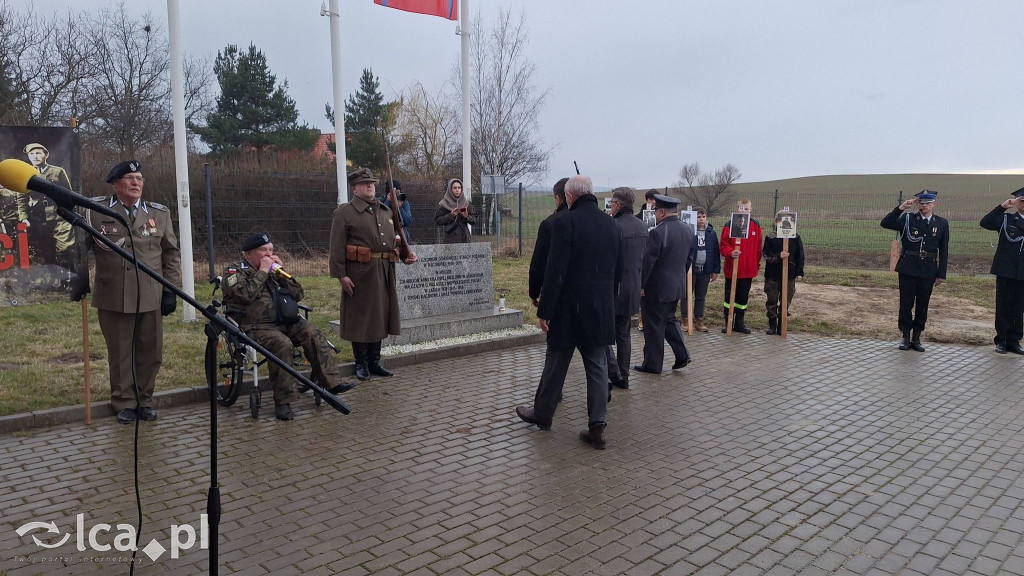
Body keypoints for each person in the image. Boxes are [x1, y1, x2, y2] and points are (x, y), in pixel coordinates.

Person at [515, 175, 623, 450]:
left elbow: (555, 272)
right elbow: (618, 272)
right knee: (598, 367)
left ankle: (543, 414)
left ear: (569, 197)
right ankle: (597, 427)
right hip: (599, 309)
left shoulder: (564, 223)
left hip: (567, 310)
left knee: (556, 363)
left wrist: (545, 310)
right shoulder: (611, 224)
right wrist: (608, 303)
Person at [84, 160, 181, 425]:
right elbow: (78, 251)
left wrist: (171, 289)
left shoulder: (159, 214)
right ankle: (124, 401)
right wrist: (77, 281)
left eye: (139, 178)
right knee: (120, 352)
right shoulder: (95, 211)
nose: (136, 183)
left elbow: (171, 253)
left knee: (150, 352)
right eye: (129, 178)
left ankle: (145, 399)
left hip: (150, 293)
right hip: (113, 294)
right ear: (115, 183)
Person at [222, 233, 356, 421]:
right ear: (249, 253)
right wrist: (262, 271)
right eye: (264, 250)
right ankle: (283, 402)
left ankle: (332, 383)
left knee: (313, 333)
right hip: (255, 326)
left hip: (285, 321)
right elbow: (243, 295)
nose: (269, 254)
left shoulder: (274, 271)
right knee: (283, 345)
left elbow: (298, 294)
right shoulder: (235, 271)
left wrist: (281, 273)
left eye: (271, 250)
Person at [330, 168, 418, 381]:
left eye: (372, 183)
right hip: (359, 274)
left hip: (384, 271)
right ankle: (360, 363)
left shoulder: (386, 211)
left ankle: (374, 361)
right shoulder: (344, 213)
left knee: (380, 316)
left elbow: (394, 240)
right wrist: (342, 275)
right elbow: (336, 248)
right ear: (355, 188)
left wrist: (405, 254)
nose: (370, 186)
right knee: (361, 318)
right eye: (365, 183)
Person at [880, 190, 949, 351]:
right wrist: (901, 208)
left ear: (934, 204)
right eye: (921, 203)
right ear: (917, 204)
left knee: (923, 304)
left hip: (928, 269)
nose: (924, 206)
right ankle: (905, 336)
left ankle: (917, 337)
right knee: (906, 303)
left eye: (927, 203)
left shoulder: (941, 223)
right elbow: (885, 223)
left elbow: (944, 250)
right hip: (908, 267)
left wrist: (941, 273)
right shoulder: (908, 219)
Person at [634, 194, 694, 374]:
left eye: (655, 211)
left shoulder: (658, 232)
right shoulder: (687, 230)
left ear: (661, 212)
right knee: (668, 319)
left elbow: (647, 264)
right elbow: (689, 259)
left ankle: (652, 364)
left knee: (653, 326)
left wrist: (641, 286)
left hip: (656, 288)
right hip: (676, 286)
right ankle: (682, 354)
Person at [606, 187, 648, 390]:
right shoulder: (642, 226)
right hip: (632, 286)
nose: (610, 206)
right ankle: (624, 374)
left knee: (603, 333)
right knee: (623, 333)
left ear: (618, 205)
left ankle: (614, 372)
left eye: (612, 202)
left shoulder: (612, 226)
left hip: (612, 288)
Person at [979, 187, 1024, 354]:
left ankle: (1015, 340)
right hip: (1006, 270)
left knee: (1019, 308)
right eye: (1022, 200)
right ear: (1016, 201)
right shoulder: (1006, 219)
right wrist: (1003, 206)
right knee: (1004, 306)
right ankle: (1002, 340)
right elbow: (985, 222)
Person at [21, 143, 77, 272]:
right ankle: (55, 276)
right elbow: (21, 199)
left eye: (38, 153)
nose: (35, 156)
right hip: (38, 216)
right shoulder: (26, 173)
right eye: (32, 154)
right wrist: (24, 217)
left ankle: (68, 276)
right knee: (46, 248)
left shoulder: (57, 171)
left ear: (46, 155)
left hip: (59, 214)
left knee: (64, 247)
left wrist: (69, 212)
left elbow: (68, 193)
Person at [719, 198, 762, 334]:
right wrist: (731, 252)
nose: (744, 211)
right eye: (741, 208)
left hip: (748, 269)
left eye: (747, 209)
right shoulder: (729, 224)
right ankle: (728, 321)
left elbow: (758, 249)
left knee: (743, 297)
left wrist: (756, 264)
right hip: (732, 268)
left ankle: (740, 321)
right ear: (737, 208)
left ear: (751, 210)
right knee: (729, 296)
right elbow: (723, 245)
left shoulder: (755, 225)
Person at [528, 177, 569, 307]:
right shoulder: (600, 222)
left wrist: (534, 292)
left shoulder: (550, 223)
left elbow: (539, 261)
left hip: (559, 291)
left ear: (558, 199)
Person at [762, 213, 805, 335]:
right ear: (776, 222)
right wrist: (778, 257)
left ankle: (782, 324)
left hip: (790, 274)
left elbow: (800, 256)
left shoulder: (795, 237)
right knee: (772, 299)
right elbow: (766, 255)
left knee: (786, 299)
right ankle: (772, 324)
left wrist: (799, 272)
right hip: (773, 275)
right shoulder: (770, 237)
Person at [681, 207, 720, 333]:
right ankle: (686, 319)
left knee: (701, 296)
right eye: (698, 217)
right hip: (690, 269)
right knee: (687, 295)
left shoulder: (711, 233)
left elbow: (715, 252)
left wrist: (715, 270)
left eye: (703, 216)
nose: (701, 219)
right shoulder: (689, 232)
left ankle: (699, 319)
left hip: (705, 270)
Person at [434, 178, 475, 243]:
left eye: (459, 188)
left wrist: (466, 216)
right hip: (450, 239)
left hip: (465, 238)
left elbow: (474, 220)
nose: (457, 190)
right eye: (455, 188)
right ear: (450, 189)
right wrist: (451, 215)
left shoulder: (466, 203)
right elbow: (438, 221)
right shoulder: (444, 204)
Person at [381, 178, 413, 243]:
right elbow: (380, 218)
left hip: (403, 238)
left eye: (398, 192)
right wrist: (387, 202)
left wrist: (399, 208)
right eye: (395, 193)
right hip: (387, 239)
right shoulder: (381, 202)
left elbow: (407, 222)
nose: (397, 195)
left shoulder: (404, 203)